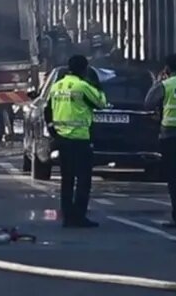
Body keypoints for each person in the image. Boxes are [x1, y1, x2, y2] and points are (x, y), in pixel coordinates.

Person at [43, 54, 107, 227]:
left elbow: (47, 109)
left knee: (67, 180)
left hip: (62, 139)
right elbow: (101, 103)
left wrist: (52, 130)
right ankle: (79, 216)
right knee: (83, 180)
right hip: (80, 139)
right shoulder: (82, 86)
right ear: (84, 69)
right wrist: (97, 85)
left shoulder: (57, 86)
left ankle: (67, 216)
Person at [144, 54, 176, 229]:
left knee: (173, 179)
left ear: (167, 68)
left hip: (169, 136)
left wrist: (158, 81)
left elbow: (148, 103)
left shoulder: (165, 85)